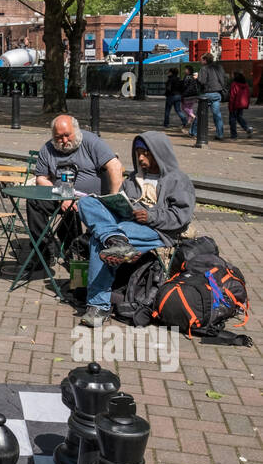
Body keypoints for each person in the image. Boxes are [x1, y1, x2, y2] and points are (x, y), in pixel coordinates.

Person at [76, 131, 194, 327]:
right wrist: (114, 205)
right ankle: (117, 240)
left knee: (100, 239)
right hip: (127, 224)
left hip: (158, 231)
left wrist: (151, 216)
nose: (140, 157)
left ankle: (99, 305)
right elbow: (121, 203)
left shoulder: (178, 180)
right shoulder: (132, 179)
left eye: (146, 153)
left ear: (159, 153)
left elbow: (180, 217)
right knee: (86, 202)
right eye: (138, 152)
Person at [27, 116, 123, 264]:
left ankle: (79, 248)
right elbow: (41, 179)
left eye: (67, 135)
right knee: (34, 201)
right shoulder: (47, 149)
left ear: (76, 131)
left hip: (91, 198)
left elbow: (115, 166)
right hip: (60, 195)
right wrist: (62, 196)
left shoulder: (91, 141)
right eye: (59, 137)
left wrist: (113, 198)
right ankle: (43, 251)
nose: (64, 141)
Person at [190, 53, 227, 140]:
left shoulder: (204, 69)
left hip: (207, 94)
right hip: (217, 93)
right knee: (217, 115)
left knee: (200, 114)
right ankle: (220, 134)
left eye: (201, 59)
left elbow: (202, 81)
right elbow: (224, 79)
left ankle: (193, 132)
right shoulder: (219, 67)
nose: (200, 61)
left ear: (205, 60)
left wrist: (196, 78)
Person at [228, 70, 253, 139]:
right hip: (241, 104)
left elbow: (232, 96)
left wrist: (230, 107)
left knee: (232, 119)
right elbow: (248, 95)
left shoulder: (234, 84)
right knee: (239, 117)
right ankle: (247, 129)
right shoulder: (246, 84)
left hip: (235, 105)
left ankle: (234, 135)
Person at [180, 65, 201, 132]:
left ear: (188, 70)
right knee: (190, 108)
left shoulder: (187, 77)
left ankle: (193, 116)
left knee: (184, 108)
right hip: (194, 95)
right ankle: (188, 125)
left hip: (187, 95)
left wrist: (182, 94)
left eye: (185, 69)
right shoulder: (193, 77)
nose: (184, 71)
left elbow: (184, 86)